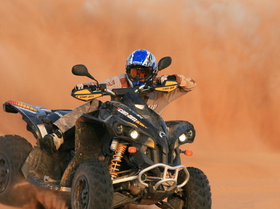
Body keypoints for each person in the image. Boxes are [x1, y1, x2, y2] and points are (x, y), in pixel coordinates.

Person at [40, 49, 196, 152]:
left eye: (143, 73)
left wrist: (175, 78)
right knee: (95, 105)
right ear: (127, 71)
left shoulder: (162, 89)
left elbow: (190, 85)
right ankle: (58, 135)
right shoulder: (121, 81)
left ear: (153, 72)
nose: (138, 77)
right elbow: (101, 85)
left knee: (175, 139)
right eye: (134, 72)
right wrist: (89, 86)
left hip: (151, 138)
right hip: (119, 131)